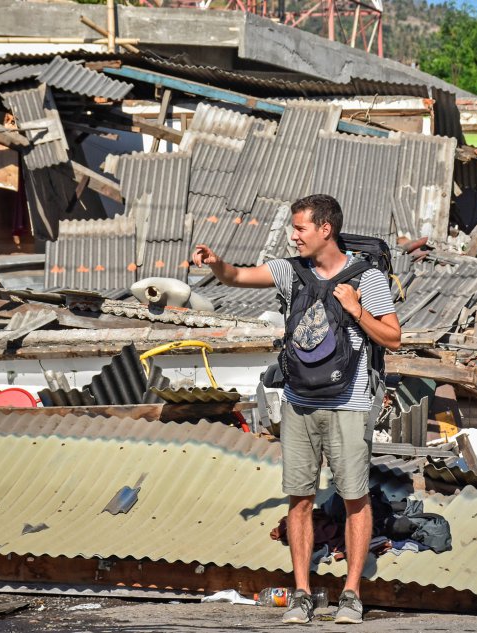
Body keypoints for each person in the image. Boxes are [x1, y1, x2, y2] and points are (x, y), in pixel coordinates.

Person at [192, 194, 401, 624]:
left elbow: (394, 338)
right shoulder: (291, 271)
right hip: (299, 402)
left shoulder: (367, 278)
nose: (294, 236)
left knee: (354, 498)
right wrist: (216, 263)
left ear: (326, 229)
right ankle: (302, 593)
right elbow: (237, 276)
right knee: (300, 498)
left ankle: (351, 595)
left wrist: (356, 309)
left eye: (300, 228)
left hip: (348, 404)